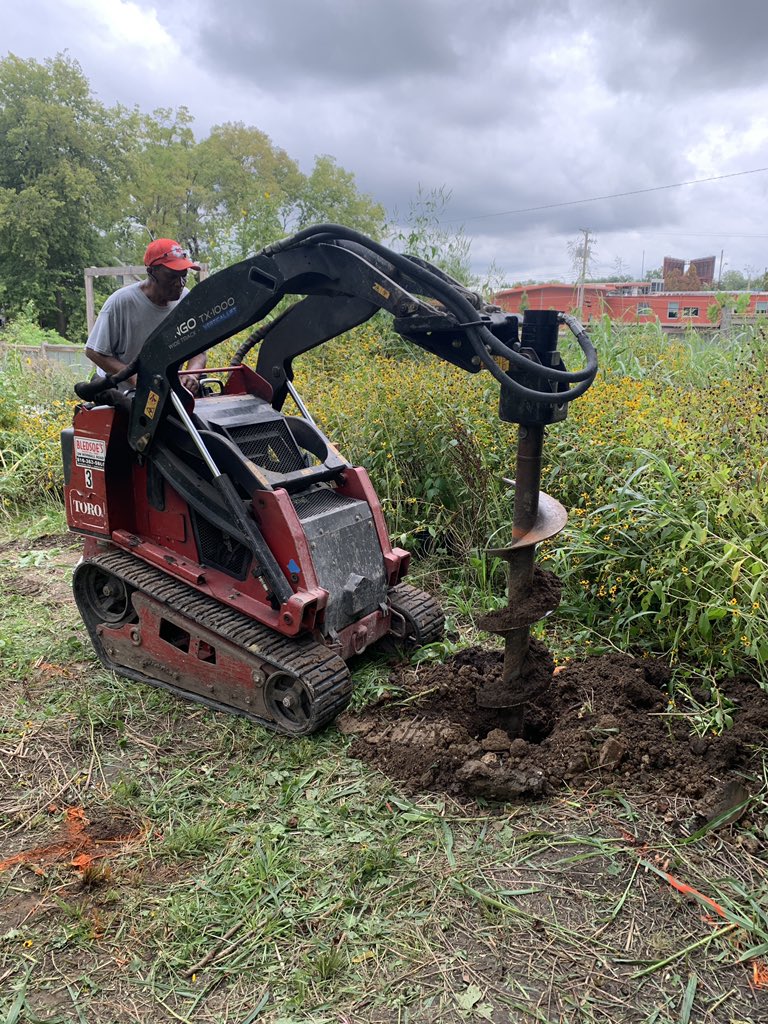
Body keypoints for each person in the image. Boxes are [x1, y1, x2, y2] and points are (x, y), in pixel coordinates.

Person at [85, 238, 206, 392]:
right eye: (172, 276)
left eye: (183, 275)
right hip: (123, 393)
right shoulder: (122, 302)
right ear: (151, 272)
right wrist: (135, 378)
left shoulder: (185, 300)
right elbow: (94, 351)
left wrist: (192, 375)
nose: (179, 283)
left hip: (165, 391)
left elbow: (199, 349)